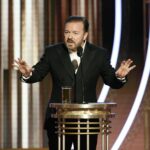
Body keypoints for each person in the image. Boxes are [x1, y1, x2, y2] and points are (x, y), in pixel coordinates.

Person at [13, 16, 136, 150]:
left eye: (75, 33)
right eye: (67, 32)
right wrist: (27, 73)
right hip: (57, 121)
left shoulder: (99, 54)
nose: (70, 36)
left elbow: (112, 81)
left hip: (87, 121)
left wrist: (119, 76)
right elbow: (37, 74)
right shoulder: (53, 52)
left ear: (85, 35)